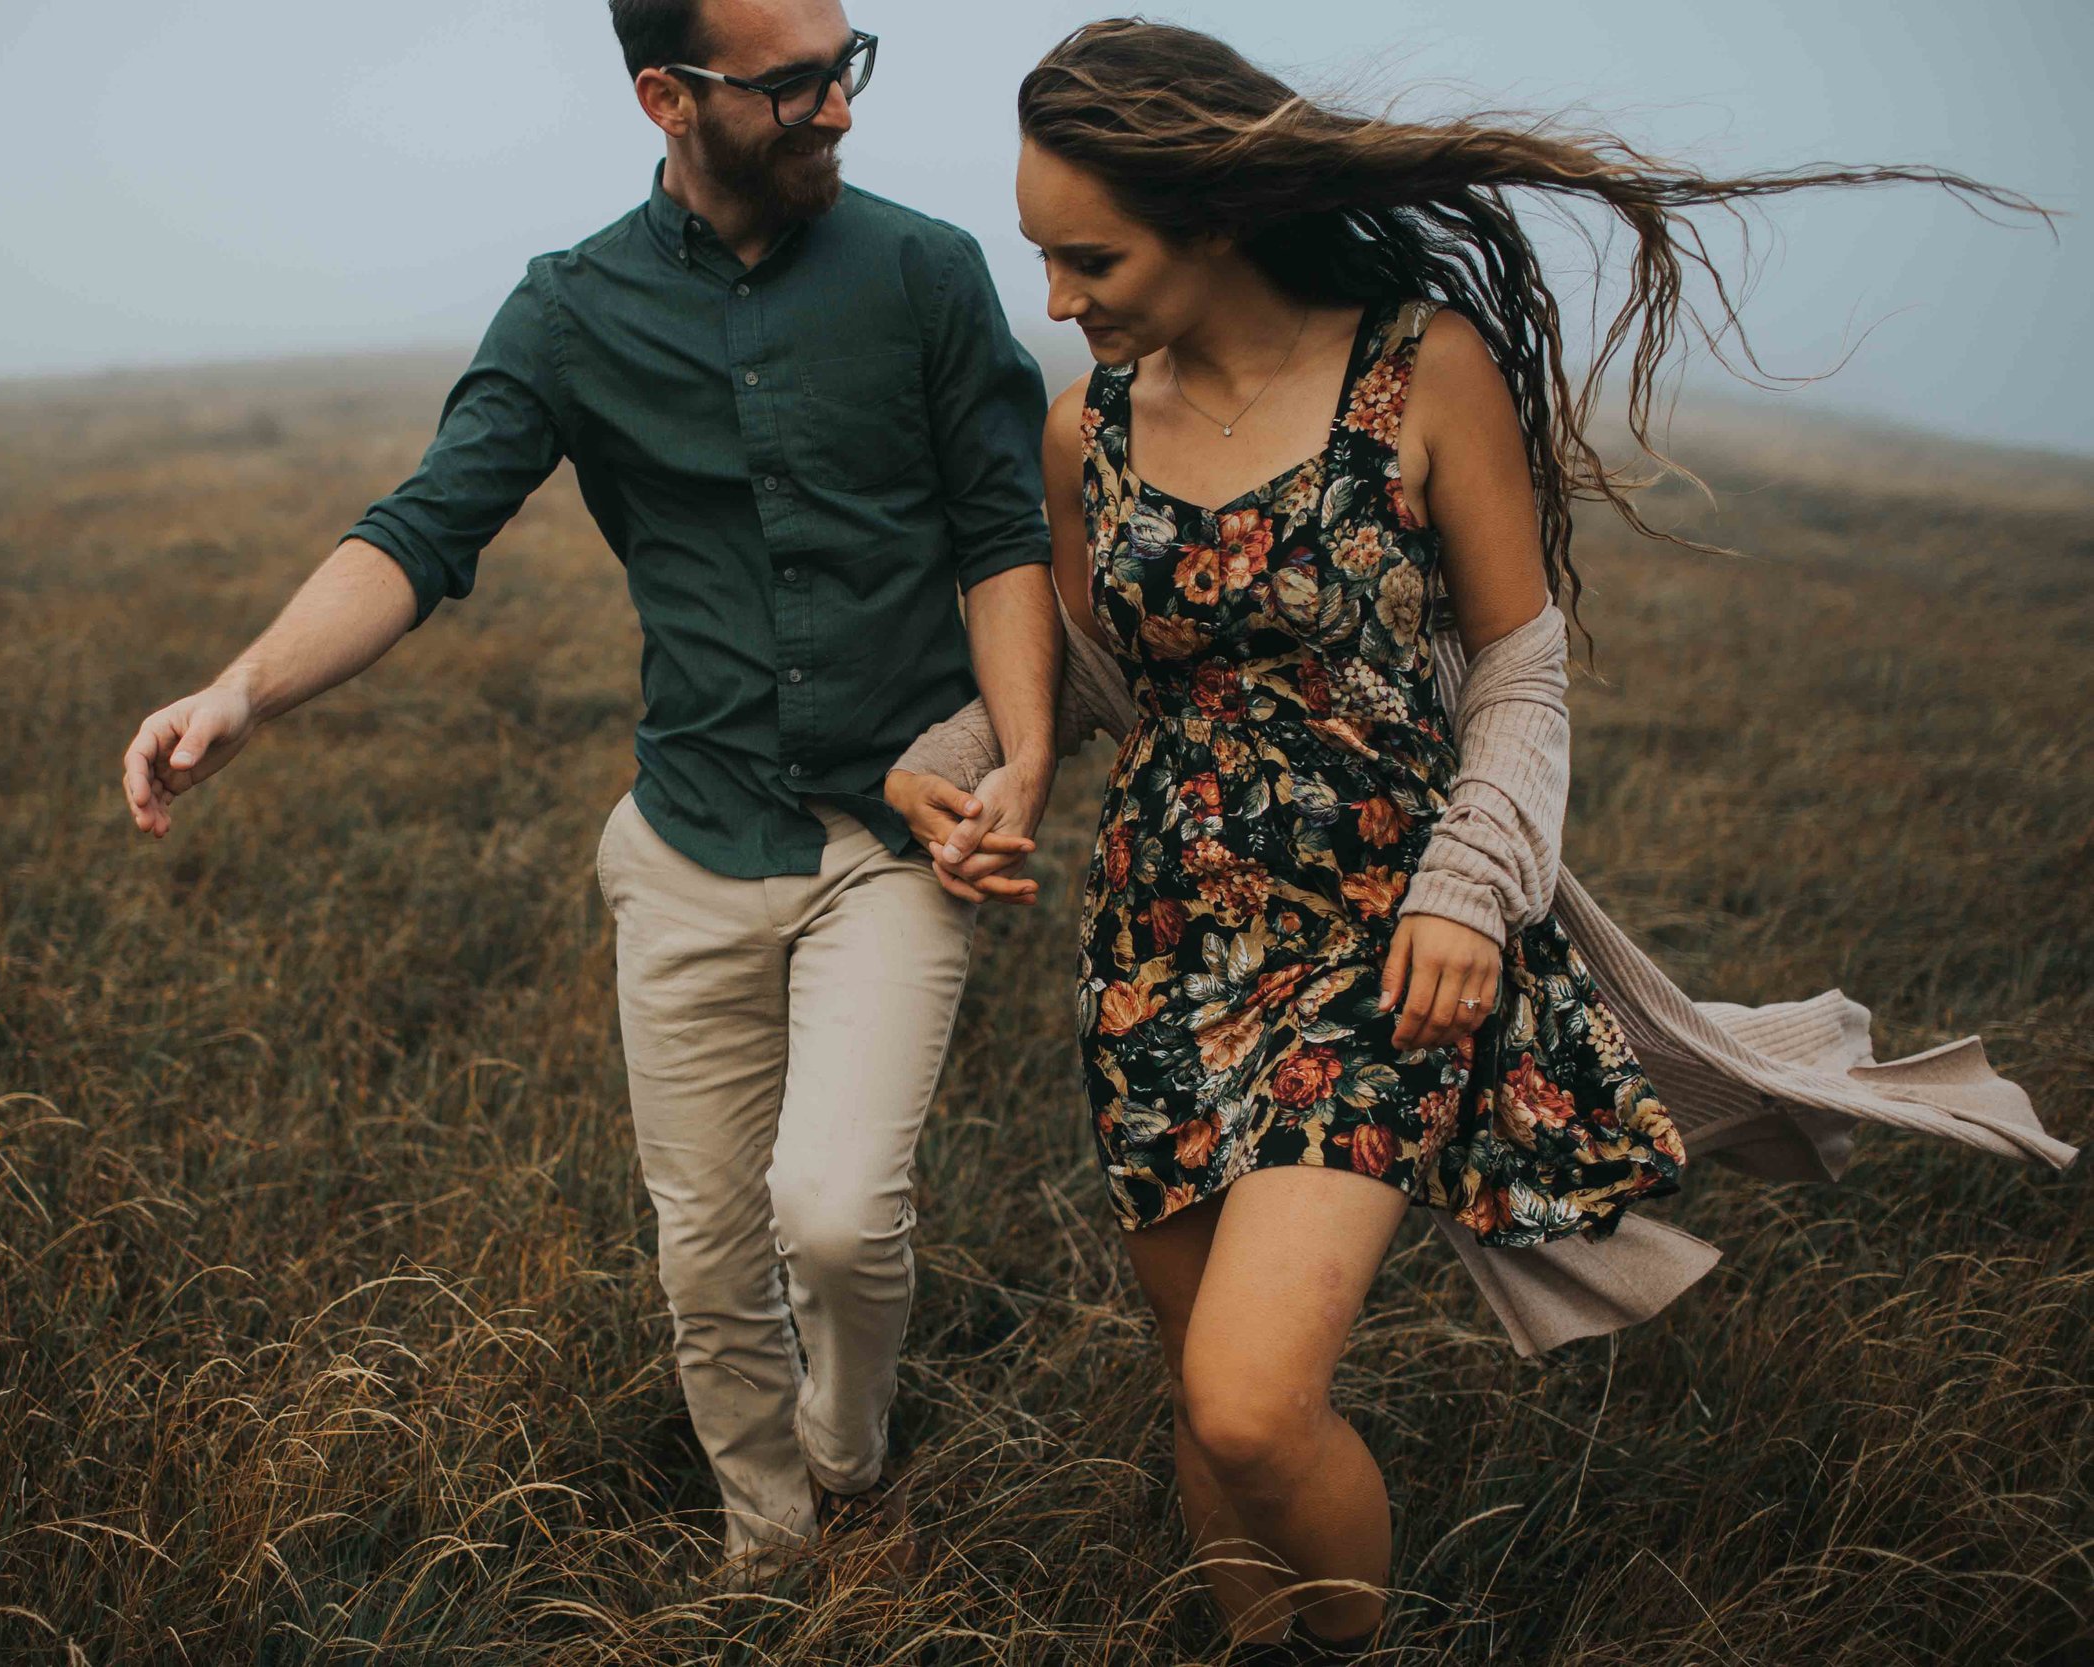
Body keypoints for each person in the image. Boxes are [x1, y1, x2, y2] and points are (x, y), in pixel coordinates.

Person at [884, 20, 2068, 1661]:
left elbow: (1521, 661)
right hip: (1160, 954)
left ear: (1216, 218)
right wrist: (953, 767)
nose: (1061, 300)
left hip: (1381, 945)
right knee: (1208, 1399)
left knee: (1247, 1404)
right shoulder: (1091, 432)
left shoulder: (1417, 364)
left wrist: (1465, 887)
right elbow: (1084, 685)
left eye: (1092, 258)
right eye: (1043, 260)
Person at [120, 0, 1064, 1583]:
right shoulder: (570, 311)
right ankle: (771, 1556)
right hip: (686, 846)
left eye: (850, 66)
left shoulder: (924, 273)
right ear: (663, 97)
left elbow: (1000, 535)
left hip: (892, 839)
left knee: (834, 1218)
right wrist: (240, 689)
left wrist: (1023, 757)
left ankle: (853, 1464)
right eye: (790, 88)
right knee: (706, 1255)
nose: (837, 111)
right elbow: (425, 529)